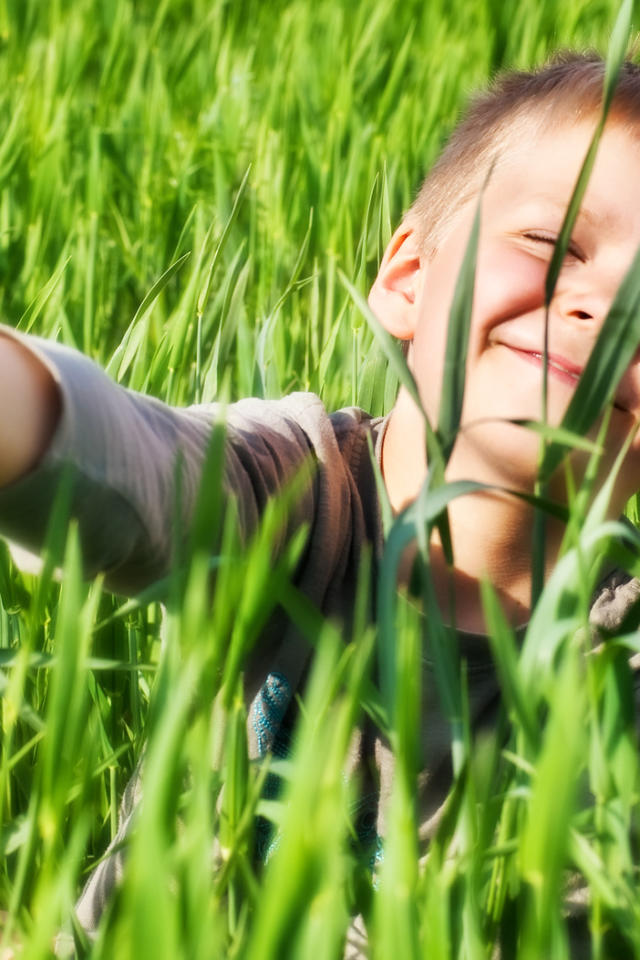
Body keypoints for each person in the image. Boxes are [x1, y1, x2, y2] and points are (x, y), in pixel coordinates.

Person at [1, 50, 640, 951]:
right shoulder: (299, 492)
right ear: (408, 278)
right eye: (554, 245)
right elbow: (127, 458)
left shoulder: (620, 674)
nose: (608, 312)